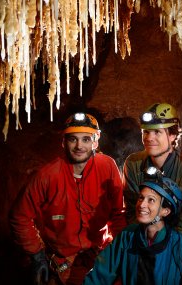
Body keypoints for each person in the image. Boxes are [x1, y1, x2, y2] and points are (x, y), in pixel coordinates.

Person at [9, 112, 126, 285]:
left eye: (86, 139)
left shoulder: (107, 166)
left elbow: (118, 213)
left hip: (99, 253)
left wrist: (116, 250)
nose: (79, 146)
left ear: (95, 141)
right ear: (64, 142)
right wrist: (36, 254)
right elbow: (20, 216)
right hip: (63, 259)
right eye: (73, 139)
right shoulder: (48, 176)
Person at [83, 167, 182, 285]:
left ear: (166, 211)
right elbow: (99, 276)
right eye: (141, 198)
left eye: (151, 200)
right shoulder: (127, 237)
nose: (142, 205)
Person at [123, 103, 182, 237]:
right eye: (146, 132)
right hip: (140, 236)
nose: (149, 138)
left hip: (176, 240)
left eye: (157, 132)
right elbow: (132, 211)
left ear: (172, 135)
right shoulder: (133, 164)